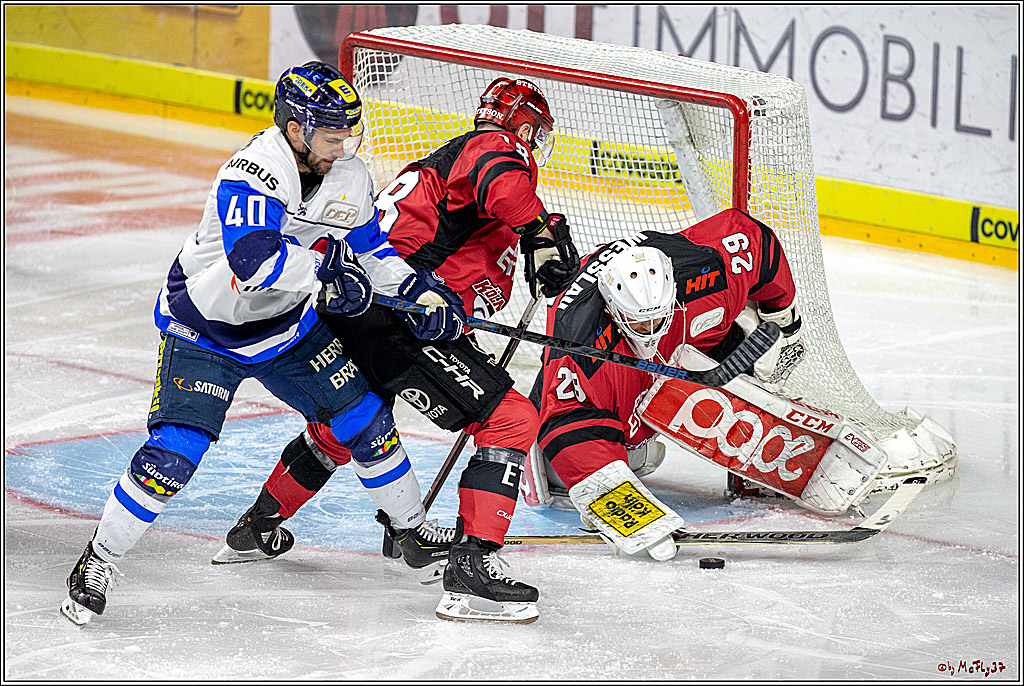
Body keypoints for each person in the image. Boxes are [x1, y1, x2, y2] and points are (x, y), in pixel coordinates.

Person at [60, 61, 465, 626]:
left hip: (286, 327)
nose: (344, 145)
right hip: (207, 327)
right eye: (331, 134)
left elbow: (371, 251)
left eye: (350, 132)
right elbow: (252, 262)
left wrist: (422, 293)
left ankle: (411, 530)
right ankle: (96, 560)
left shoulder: (349, 172)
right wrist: (327, 275)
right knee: (174, 455)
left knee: (366, 421)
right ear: (295, 128)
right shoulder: (251, 171)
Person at [218, 77, 580, 624]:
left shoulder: (454, 173)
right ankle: (471, 571)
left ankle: (257, 525)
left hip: (362, 307)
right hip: (398, 313)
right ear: (523, 128)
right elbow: (501, 182)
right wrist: (539, 231)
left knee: (352, 425)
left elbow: (481, 241)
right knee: (509, 419)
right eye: (536, 133)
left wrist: (542, 241)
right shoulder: (489, 150)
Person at [528, 208, 803, 561]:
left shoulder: (708, 274)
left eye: (660, 316)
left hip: (681, 322)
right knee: (639, 457)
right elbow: (568, 423)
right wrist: (625, 510)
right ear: (614, 311)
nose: (652, 329)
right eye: (641, 324)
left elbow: (754, 242)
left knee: (739, 352)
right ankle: (546, 447)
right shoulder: (581, 345)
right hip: (605, 382)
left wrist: (784, 315)